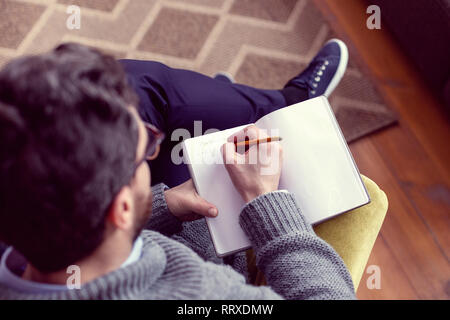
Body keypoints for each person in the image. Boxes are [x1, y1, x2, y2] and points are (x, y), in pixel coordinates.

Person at [0, 40, 355, 299]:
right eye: (146, 152)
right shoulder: (203, 297)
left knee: (137, 85)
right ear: (121, 209)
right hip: (203, 249)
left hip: (143, 231)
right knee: (167, 99)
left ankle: (237, 103)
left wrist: (165, 204)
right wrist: (266, 201)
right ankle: (279, 101)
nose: (152, 153)